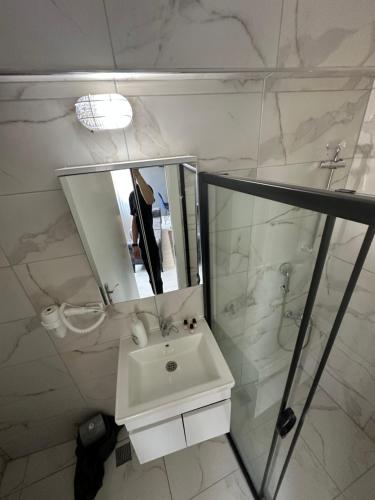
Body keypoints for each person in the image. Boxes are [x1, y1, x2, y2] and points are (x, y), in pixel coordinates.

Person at [129, 169, 163, 295]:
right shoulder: (131, 195)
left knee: (157, 276)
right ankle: (157, 295)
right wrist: (134, 244)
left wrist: (138, 174)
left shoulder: (147, 188)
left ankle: (160, 295)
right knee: (151, 277)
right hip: (142, 242)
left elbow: (149, 200)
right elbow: (134, 219)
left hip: (151, 239)